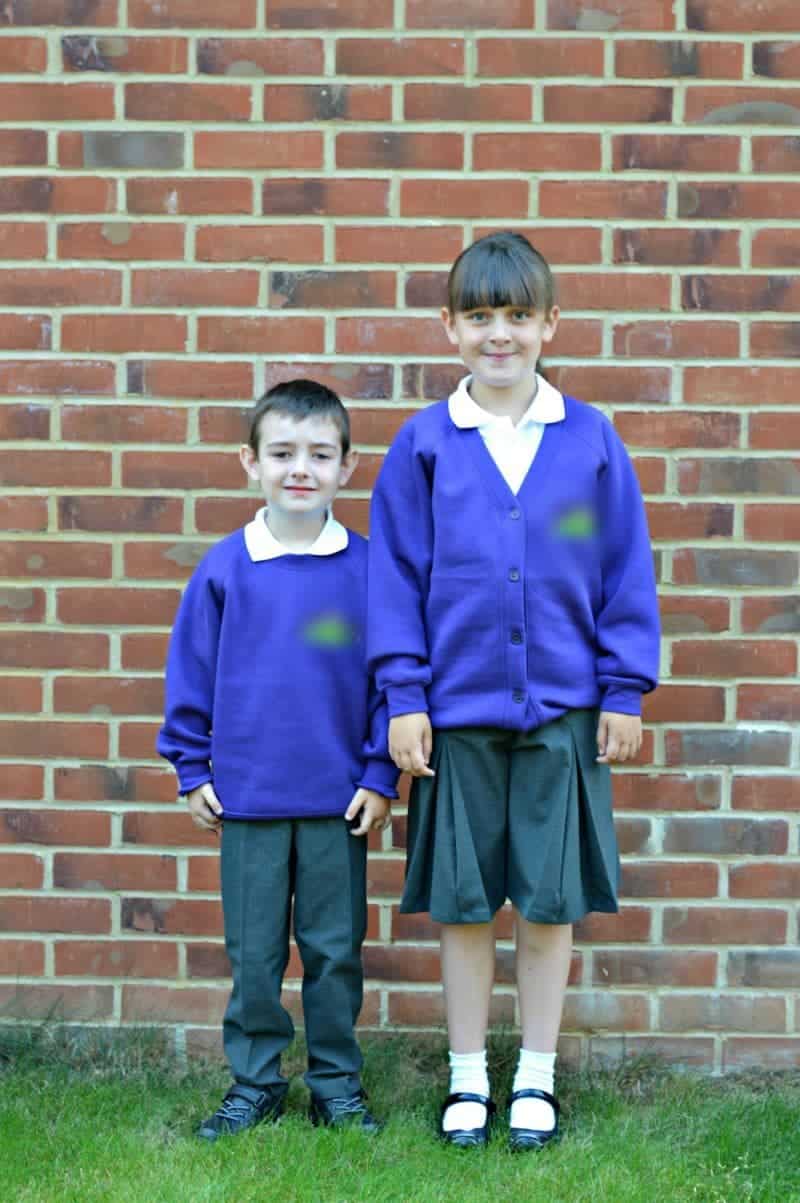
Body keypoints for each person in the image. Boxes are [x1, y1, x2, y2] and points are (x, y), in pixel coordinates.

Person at [367, 231, 659, 1151]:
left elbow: (622, 567)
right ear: (450, 327)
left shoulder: (590, 440)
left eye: (519, 317)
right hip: (454, 719)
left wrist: (623, 687)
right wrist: (404, 697)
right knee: (461, 902)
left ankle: (534, 1075)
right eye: (482, 317)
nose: (501, 335)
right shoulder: (424, 445)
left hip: (563, 716)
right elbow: (396, 583)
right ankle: (465, 1077)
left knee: (547, 900)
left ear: (550, 325)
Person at [158, 379, 397, 1141]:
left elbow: (391, 679)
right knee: (254, 955)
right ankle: (255, 1081)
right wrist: (192, 769)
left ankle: (335, 1084)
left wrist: (379, 774)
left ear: (347, 466)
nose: (301, 469)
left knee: (334, 952)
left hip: (338, 801)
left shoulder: (367, 569)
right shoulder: (227, 569)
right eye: (283, 453)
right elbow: (190, 674)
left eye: (320, 454)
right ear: (250, 462)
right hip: (249, 800)